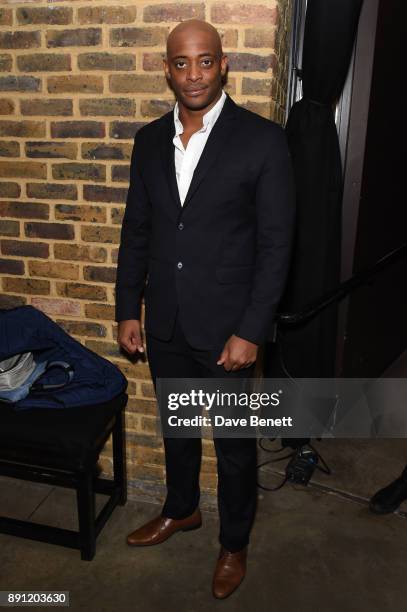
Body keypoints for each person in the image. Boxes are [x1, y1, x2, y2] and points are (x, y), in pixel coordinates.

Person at [115, 18, 295, 599]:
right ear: (167, 69)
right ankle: (182, 509)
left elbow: (276, 248)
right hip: (165, 320)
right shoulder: (148, 141)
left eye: (205, 61)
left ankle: (234, 543)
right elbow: (136, 233)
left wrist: (252, 330)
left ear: (224, 65)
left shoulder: (263, 141)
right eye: (182, 63)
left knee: (236, 447)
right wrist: (128, 309)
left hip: (227, 330)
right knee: (179, 430)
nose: (194, 74)